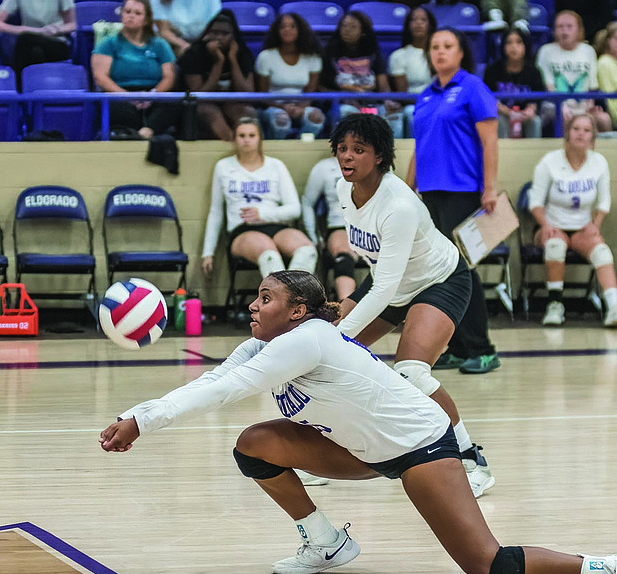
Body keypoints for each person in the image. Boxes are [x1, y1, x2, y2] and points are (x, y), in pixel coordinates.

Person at [100, 270, 617, 574]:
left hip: (420, 447)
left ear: (297, 312)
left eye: (266, 297)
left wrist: (141, 423)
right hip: (360, 450)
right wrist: (139, 413)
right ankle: (327, 543)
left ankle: (606, 566)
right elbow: (212, 382)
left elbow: (222, 391)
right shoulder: (264, 345)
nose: (252, 303)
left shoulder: (307, 339)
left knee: (489, 566)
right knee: (254, 445)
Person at [331, 113, 494, 498]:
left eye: (359, 150)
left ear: (381, 157)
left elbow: (385, 287)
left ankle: (471, 459)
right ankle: (331, 456)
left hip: (439, 281)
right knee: (331, 363)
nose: (347, 157)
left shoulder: (399, 204)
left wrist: (337, 334)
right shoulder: (343, 190)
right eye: (342, 149)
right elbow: (379, 269)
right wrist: (341, 320)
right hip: (391, 281)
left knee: (411, 372)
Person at [407, 27, 501, 374]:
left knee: (464, 271)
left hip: (464, 191)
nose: (440, 52)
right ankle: (459, 347)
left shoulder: (473, 88)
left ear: (461, 53)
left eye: (448, 46)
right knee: (440, 272)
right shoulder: (425, 95)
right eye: (435, 47)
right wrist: (407, 189)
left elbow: (490, 142)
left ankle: (483, 348)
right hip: (429, 193)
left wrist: (489, 188)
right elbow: (420, 147)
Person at [528, 113, 617, 327]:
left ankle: (614, 308)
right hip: (552, 225)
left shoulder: (599, 162)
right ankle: (555, 305)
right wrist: (546, 224)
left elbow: (604, 202)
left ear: (593, 138)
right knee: (556, 246)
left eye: (587, 130)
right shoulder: (549, 162)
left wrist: (595, 226)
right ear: (567, 133)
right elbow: (535, 203)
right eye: (576, 129)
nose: (581, 134)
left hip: (582, 227)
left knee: (602, 252)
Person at [202, 118, 317, 282]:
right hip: (242, 229)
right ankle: (281, 302)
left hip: (276, 225)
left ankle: (295, 298)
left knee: (307, 250)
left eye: (251, 135)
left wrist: (262, 214)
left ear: (260, 138)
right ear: (235, 139)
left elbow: (294, 209)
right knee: (269, 254)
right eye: (241, 135)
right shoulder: (224, 167)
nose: (247, 140)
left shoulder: (276, 166)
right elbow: (216, 212)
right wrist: (208, 252)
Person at [91, 0, 179, 140]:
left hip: (153, 94)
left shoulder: (160, 44)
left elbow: (169, 76)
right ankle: (134, 134)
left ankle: (146, 132)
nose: (131, 16)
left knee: (174, 103)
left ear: (146, 20)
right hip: (119, 93)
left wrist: (152, 95)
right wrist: (126, 96)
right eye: (127, 12)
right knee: (115, 108)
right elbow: (101, 77)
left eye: (137, 13)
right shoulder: (108, 43)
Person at [319, 11, 404, 139]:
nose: (347, 30)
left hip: (372, 104)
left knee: (395, 117)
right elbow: (320, 87)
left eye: (353, 27)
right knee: (346, 113)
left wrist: (388, 101)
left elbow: (383, 86)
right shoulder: (329, 52)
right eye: (344, 26)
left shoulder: (373, 52)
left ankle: (391, 155)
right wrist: (343, 97)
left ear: (363, 31)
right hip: (342, 104)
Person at [178, 10, 256, 141]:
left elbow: (247, 93)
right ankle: (234, 147)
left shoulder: (242, 53)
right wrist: (218, 63)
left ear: (233, 36)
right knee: (211, 112)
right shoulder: (194, 54)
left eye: (225, 34)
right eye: (214, 32)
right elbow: (199, 96)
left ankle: (249, 148)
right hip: (200, 104)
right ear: (207, 33)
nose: (218, 37)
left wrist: (233, 60)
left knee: (247, 114)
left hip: (232, 102)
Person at [536, 11, 612, 132]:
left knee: (604, 119)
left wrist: (590, 106)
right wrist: (561, 106)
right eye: (560, 27)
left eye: (569, 27)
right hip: (554, 105)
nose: (564, 31)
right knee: (568, 119)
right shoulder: (546, 51)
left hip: (582, 105)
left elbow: (591, 86)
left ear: (579, 30)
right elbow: (548, 86)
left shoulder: (588, 50)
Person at [255, 13, 325, 140]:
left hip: (302, 105)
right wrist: (283, 107)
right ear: (277, 31)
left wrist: (300, 108)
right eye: (283, 27)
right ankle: (277, 149)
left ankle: (304, 148)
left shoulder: (313, 57)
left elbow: (311, 90)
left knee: (316, 117)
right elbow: (262, 94)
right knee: (281, 119)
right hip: (273, 106)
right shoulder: (266, 56)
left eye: (292, 26)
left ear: (300, 30)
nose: (287, 30)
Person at [301, 155, 357, 300]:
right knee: (344, 255)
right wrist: (315, 238)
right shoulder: (324, 167)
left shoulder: (377, 161)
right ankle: (346, 308)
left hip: (373, 224)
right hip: (340, 224)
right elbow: (307, 202)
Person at [483, 26, 545, 139]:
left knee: (535, 121)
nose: (514, 47)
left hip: (525, 116)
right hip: (502, 114)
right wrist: (508, 112)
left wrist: (529, 111)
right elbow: (490, 99)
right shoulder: (492, 70)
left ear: (525, 46)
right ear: (503, 46)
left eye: (518, 42)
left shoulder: (534, 72)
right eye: (509, 43)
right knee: (499, 121)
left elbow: (536, 100)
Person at [0, 0, 76, 80]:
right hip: (29, 41)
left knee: (25, 42)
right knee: (33, 49)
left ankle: (20, 88)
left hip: (56, 41)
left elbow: (72, 24)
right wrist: (32, 30)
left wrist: (57, 29)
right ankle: (34, 89)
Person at [387, 6, 435, 138]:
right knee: (411, 112)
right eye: (414, 20)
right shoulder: (398, 56)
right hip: (414, 104)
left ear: (430, 25)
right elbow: (403, 94)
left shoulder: (441, 54)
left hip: (440, 102)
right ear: (408, 26)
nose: (418, 23)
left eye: (423, 20)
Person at [150, 0, 221, 57]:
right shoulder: (156, 1)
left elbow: (217, 23)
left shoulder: (211, 2)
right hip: (176, 42)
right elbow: (164, 31)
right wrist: (185, 46)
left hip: (206, 37)